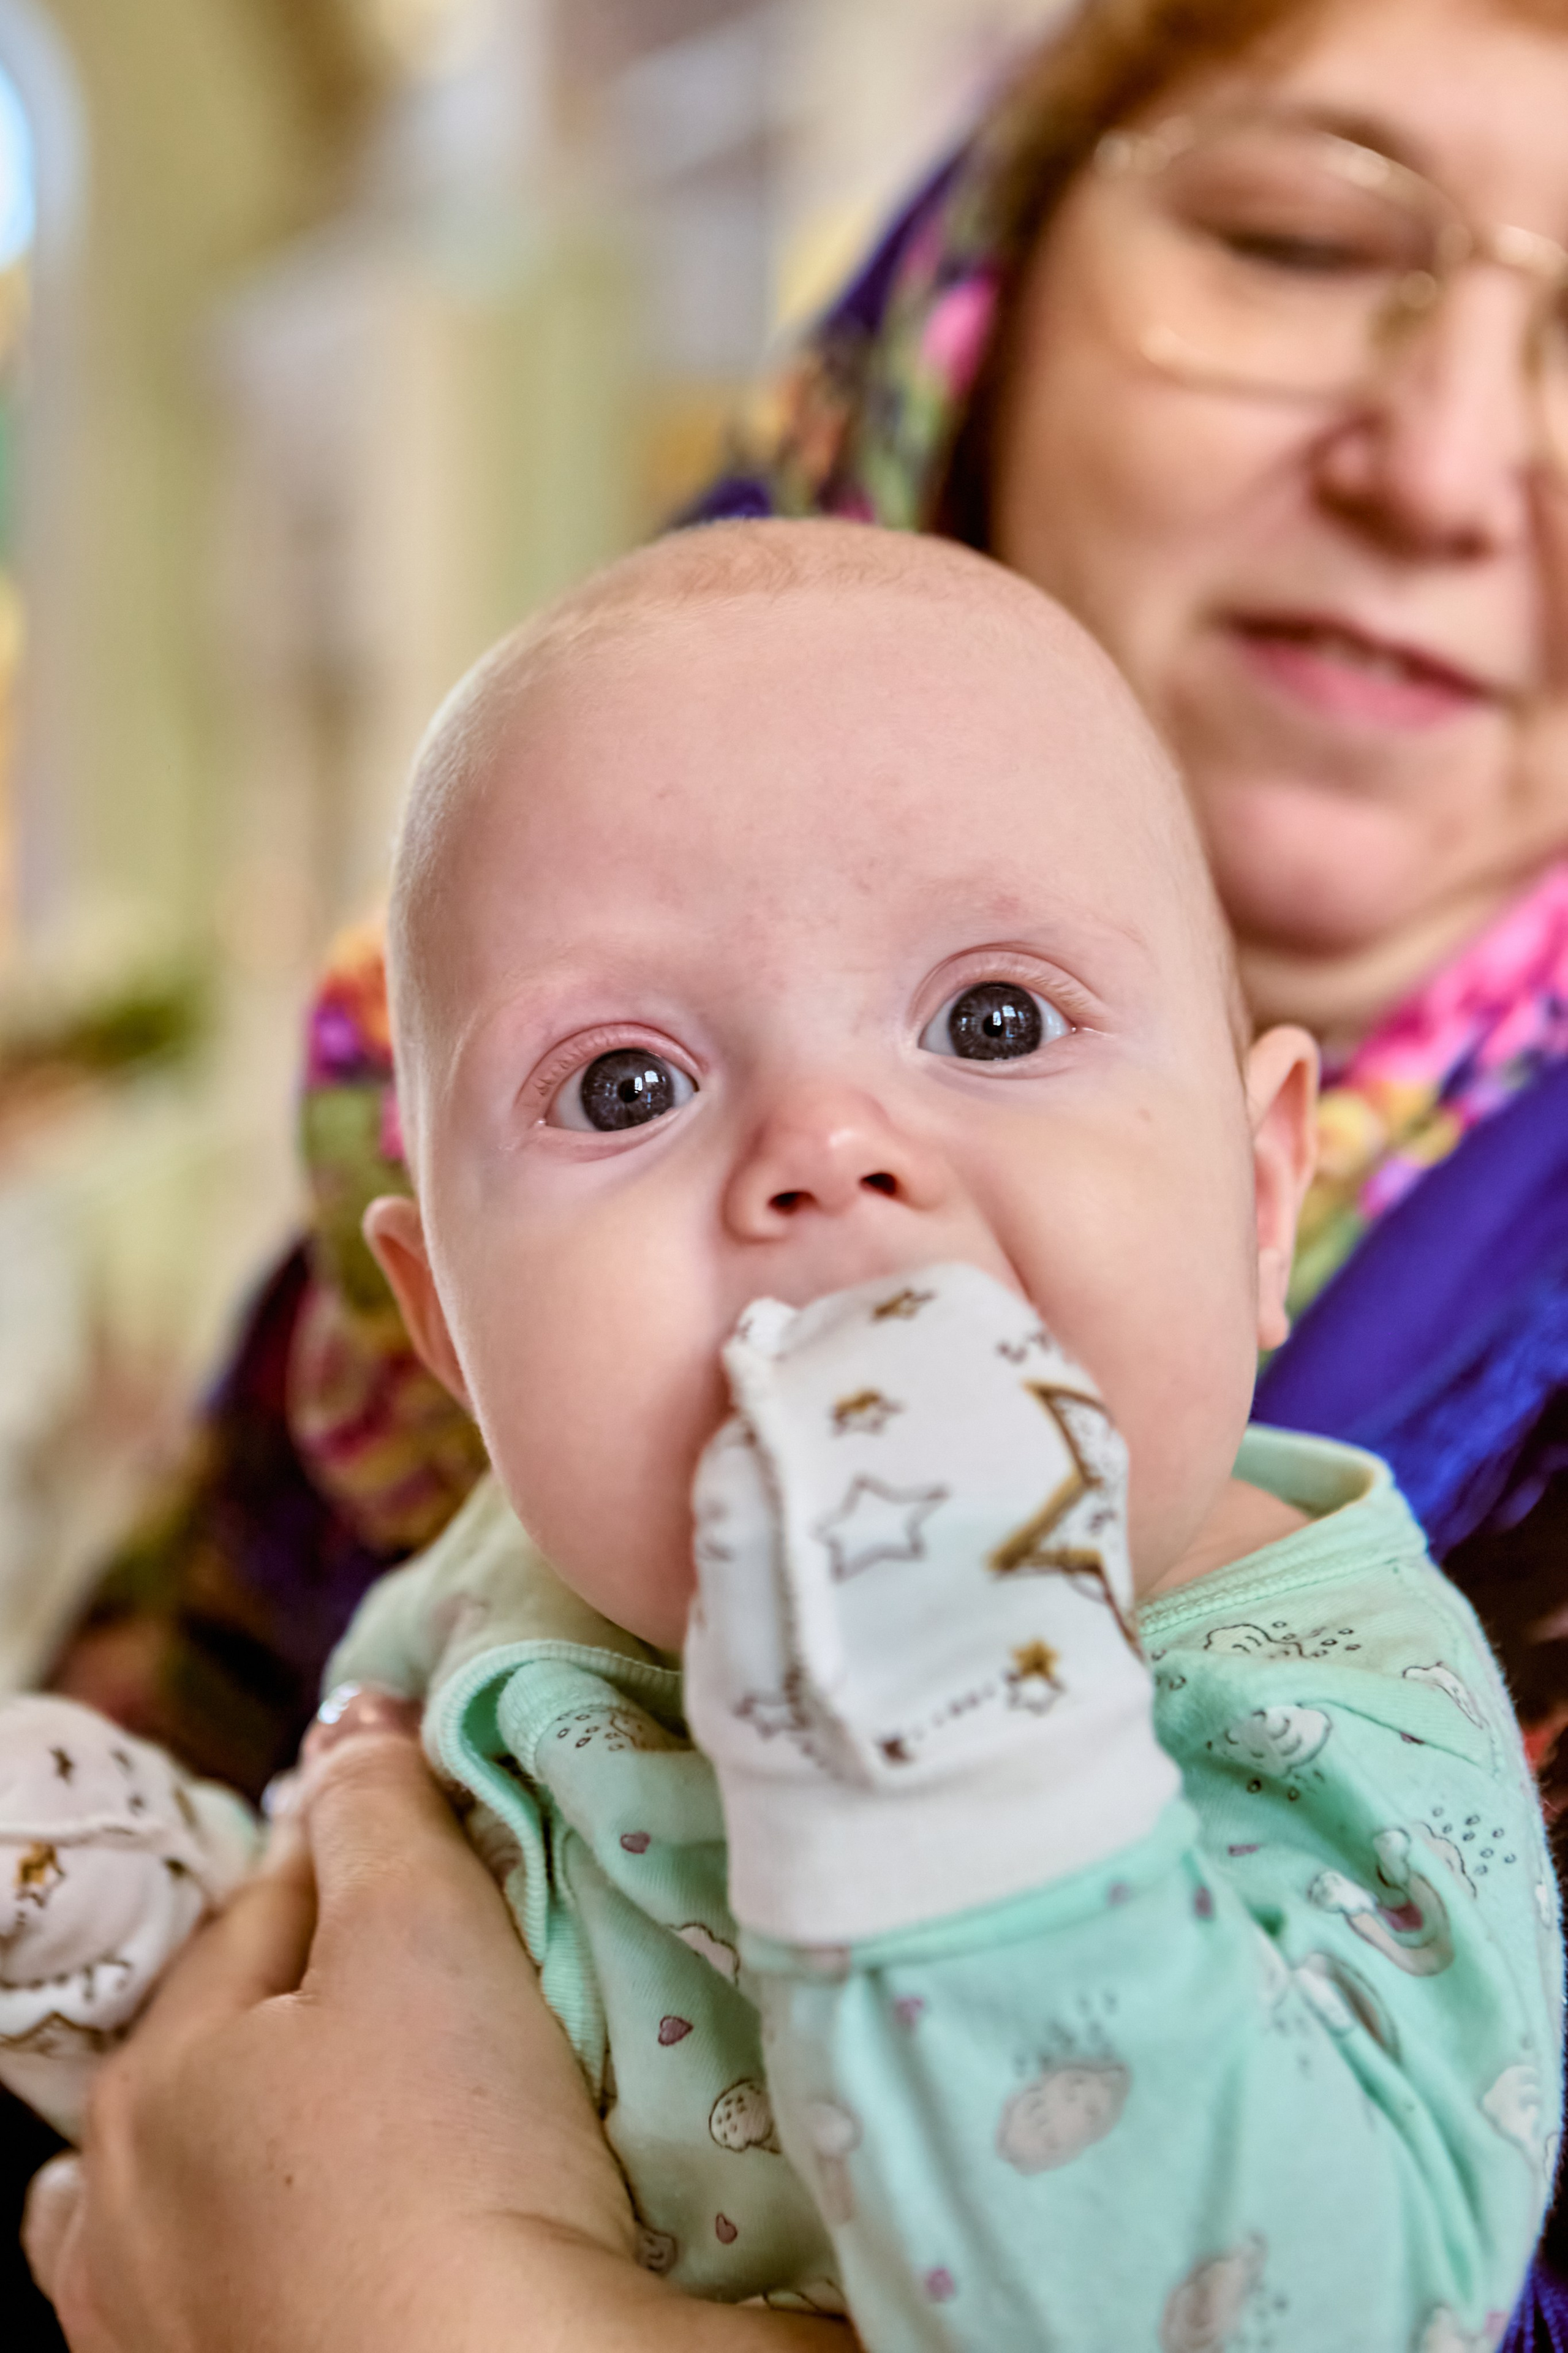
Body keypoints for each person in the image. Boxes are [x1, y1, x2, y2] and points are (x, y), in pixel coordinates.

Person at [18, 0, 1568, 2341]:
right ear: (986, 281)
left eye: (1001, 1022)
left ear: (1260, 1191)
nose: (1446, 465)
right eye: (1295, 237)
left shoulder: (1316, 1700)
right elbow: (319, 1871)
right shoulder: (496, 1534)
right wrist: (140, 1936)